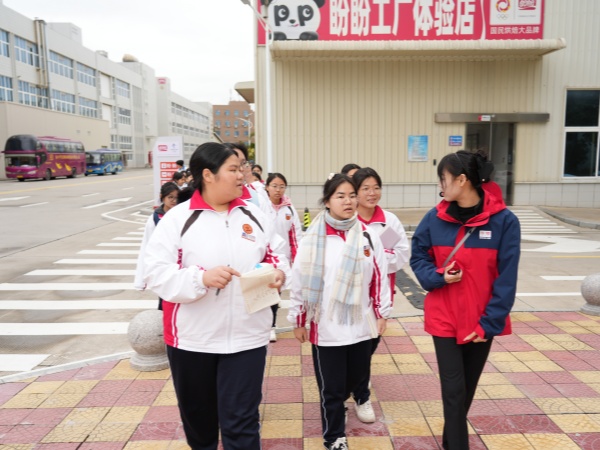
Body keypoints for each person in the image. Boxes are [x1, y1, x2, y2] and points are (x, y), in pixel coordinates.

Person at [143, 142, 290, 450]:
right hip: (193, 340)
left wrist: (278, 272)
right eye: (233, 169)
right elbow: (155, 273)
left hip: (248, 337)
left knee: (242, 422)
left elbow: (277, 252)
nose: (241, 175)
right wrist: (201, 278)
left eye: (242, 168)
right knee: (200, 423)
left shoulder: (255, 215)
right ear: (208, 175)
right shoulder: (178, 219)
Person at [410, 150, 520, 450]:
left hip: (481, 320)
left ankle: (450, 441)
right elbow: (418, 256)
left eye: (443, 179)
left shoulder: (504, 222)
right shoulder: (434, 218)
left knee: (465, 391)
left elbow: (507, 279)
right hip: (444, 315)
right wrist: (438, 276)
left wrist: (489, 324)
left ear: (462, 180)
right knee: (454, 391)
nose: (440, 185)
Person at [288, 173, 391, 450]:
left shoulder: (367, 235)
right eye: (340, 196)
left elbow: (379, 277)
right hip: (327, 327)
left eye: (352, 195)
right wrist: (298, 319)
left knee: (356, 378)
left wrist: (382, 312)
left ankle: (348, 405)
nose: (348, 201)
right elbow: (299, 281)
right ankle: (334, 437)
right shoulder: (313, 238)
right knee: (331, 389)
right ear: (327, 201)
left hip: (360, 325)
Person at [350, 167, 410, 423]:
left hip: (378, 298)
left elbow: (401, 256)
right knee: (349, 348)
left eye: (376, 188)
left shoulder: (388, 222)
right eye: (365, 188)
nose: (372, 193)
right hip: (348, 296)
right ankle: (355, 389)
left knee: (368, 346)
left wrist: (374, 256)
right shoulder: (347, 217)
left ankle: (360, 393)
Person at [261, 172, 303, 342]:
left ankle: (271, 326)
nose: (278, 190)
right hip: (265, 257)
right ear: (267, 187)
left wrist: (296, 259)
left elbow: (295, 236)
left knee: (275, 291)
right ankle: (263, 325)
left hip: (282, 259)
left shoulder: (289, 209)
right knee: (264, 291)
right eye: (274, 186)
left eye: (282, 187)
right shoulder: (262, 207)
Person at [133, 181, 179, 309]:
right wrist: (142, 278)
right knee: (164, 300)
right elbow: (147, 246)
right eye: (170, 197)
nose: (174, 200)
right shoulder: (155, 218)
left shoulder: (181, 214)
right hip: (163, 264)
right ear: (162, 197)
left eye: (176, 197)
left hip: (179, 264)